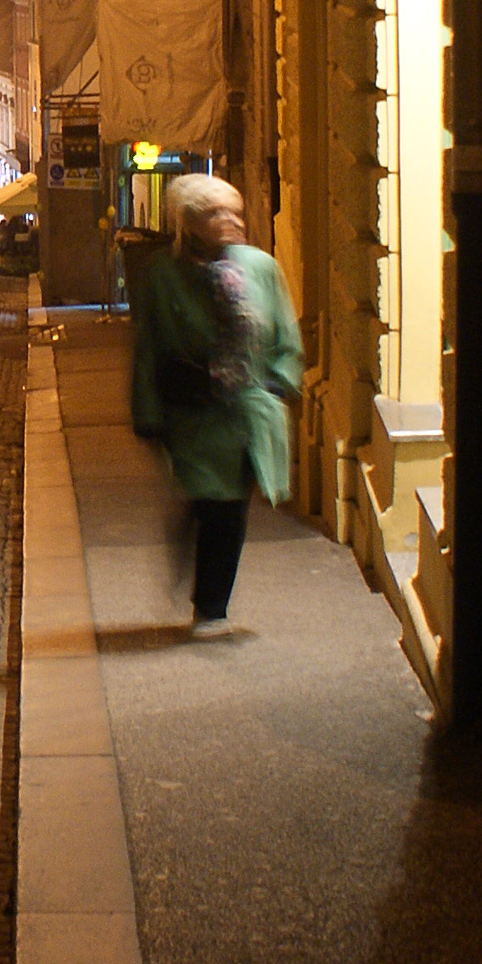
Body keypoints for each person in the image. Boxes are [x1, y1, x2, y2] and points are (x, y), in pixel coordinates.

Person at [129, 174, 302, 638]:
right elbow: (149, 345)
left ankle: (210, 599)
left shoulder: (261, 267)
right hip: (194, 412)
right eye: (215, 214)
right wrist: (147, 414)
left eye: (235, 212)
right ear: (189, 224)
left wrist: (278, 385)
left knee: (229, 508)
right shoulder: (164, 275)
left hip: (248, 411)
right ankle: (207, 596)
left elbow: (285, 334)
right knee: (213, 501)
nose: (231, 222)